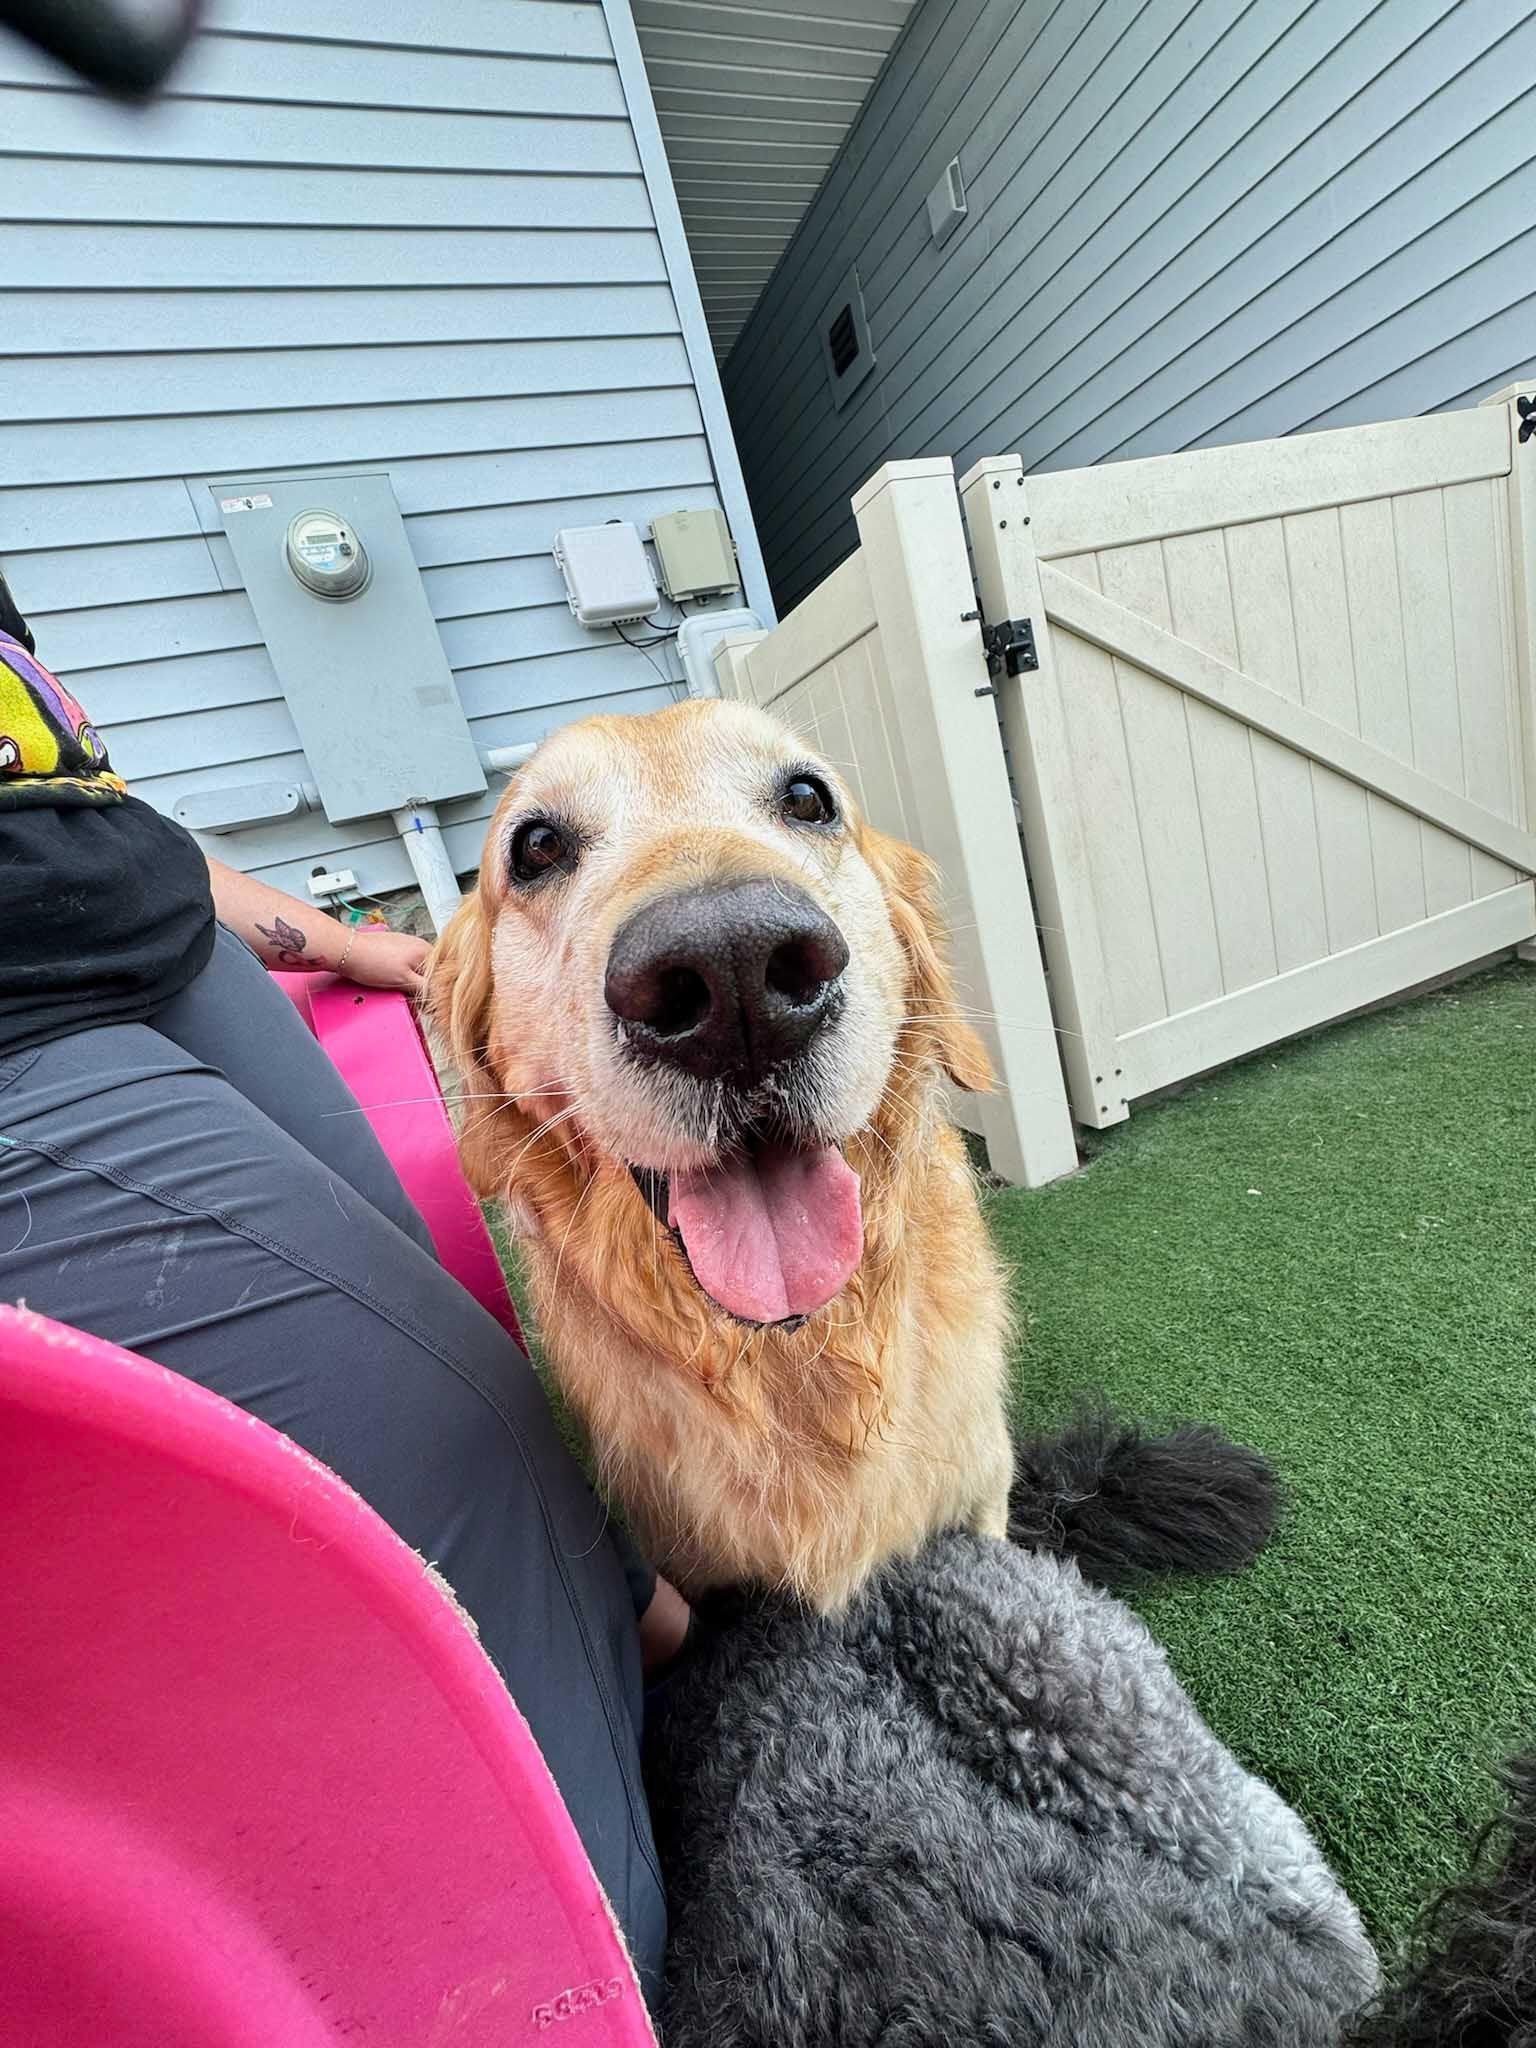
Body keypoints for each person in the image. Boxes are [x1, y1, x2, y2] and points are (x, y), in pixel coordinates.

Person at [0, 575, 678, 1995]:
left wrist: (358, 946)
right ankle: (610, 1982)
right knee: (454, 1441)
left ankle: (645, 1636)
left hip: (157, 937)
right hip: (22, 1032)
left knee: (457, 1326)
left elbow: (79, 809)